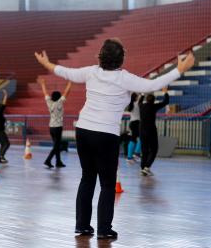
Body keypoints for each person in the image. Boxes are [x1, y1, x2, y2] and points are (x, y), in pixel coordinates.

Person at [34, 38, 195, 239]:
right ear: (121, 59)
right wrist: (178, 70)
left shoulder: (91, 72)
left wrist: (46, 64)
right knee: (108, 184)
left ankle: (82, 225)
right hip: (106, 134)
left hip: (83, 130)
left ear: (100, 56)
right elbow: (152, 84)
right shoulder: (124, 78)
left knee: (87, 178)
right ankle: (104, 230)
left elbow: (66, 72)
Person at [38, 78, 72, 168]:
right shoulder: (59, 103)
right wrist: (70, 83)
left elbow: (45, 93)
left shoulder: (49, 102)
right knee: (57, 146)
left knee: (56, 145)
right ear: (59, 97)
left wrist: (43, 84)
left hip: (51, 127)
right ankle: (48, 160)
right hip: (58, 127)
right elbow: (66, 93)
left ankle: (58, 161)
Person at [139, 87, 169, 176]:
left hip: (141, 130)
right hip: (151, 130)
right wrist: (165, 92)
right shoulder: (154, 106)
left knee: (144, 150)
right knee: (154, 149)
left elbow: (140, 101)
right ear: (154, 100)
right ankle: (147, 167)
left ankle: (143, 168)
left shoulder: (141, 106)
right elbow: (166, 101)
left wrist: (142, 93)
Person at [126, 93, 142, 163]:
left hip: (132, 123)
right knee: (141, 138)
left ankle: (129, 157)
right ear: (136, 97)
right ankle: (137, 153)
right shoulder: (137, 103)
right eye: (137, 96)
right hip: (137, 123)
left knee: (133, 139)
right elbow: (142, 96)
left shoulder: (130, 104)